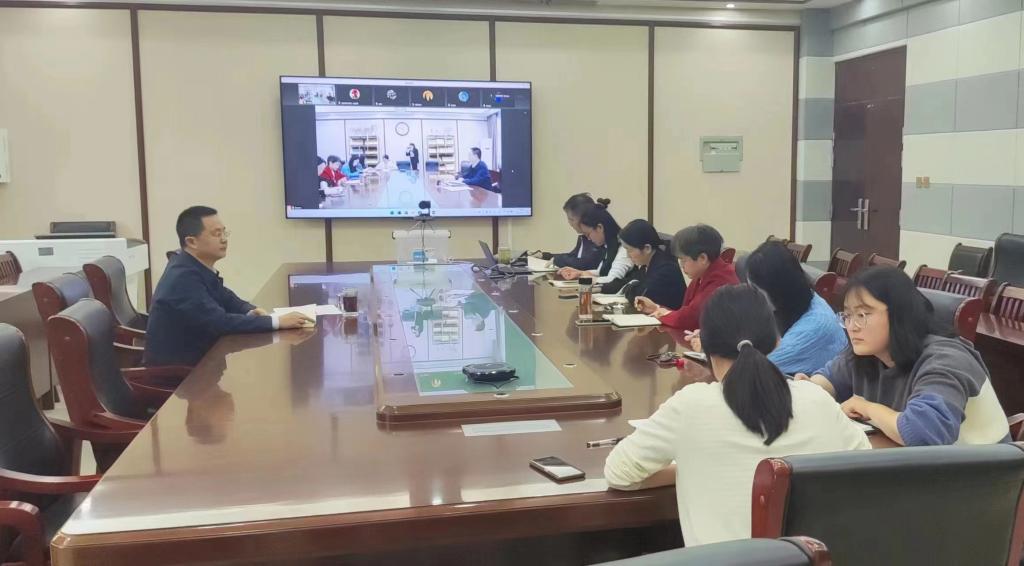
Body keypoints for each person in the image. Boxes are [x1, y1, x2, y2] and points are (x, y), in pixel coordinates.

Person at [604, 285, 871, 546]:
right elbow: (864, 462)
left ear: (704, 344)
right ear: (777, 340)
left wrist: (689, 465)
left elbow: (619, 473)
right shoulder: (816, 399)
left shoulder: (691, 405)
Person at [797, 266, 1009, 446]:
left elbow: (924, 434)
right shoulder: (868, 352)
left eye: (862, 314)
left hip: (983, 476)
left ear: (899, 314)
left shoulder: (946, 359)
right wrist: (808, 387)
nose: (852, 326)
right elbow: (828, 379)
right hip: (919, 468)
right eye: (847, 315)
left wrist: (867, 408)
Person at [144, 206, 313, 367]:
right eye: (216, 234)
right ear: (192, 242)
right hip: (180, 376)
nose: (224, 239)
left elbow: (225, 296)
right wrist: (276, 321)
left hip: (202, 363)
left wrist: (250, 310)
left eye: (224, 232)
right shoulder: (183, 278)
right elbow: (219, 323)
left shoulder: (191, 266)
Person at [742, 241, 849, 375]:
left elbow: (748, 372)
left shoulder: (812, 328)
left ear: (777, 290)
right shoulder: (800, 300)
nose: (752, 295)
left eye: (755, 289)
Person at [635, 224, 738, 331]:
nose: (681, 265)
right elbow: (686, 312)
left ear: (702, 258)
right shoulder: (702, 274)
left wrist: (659, 313)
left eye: (683, 260)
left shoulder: (721, 281)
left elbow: (690, 319)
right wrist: (656, 308)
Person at [602, 219, 685, 310]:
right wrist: (600, 288)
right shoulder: (647, 264)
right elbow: (626, 282)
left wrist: (629, 287)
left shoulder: (666, 269)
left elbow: (639, 297)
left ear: (647, 248)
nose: (628, 255)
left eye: (630, 250)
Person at [556, 200, 632, 284]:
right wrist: (579, 273)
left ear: (599, 227)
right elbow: (601, 272)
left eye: (588, 234)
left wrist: (583, 278)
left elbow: (612, 280)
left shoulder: (624, 248)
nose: (588, 238)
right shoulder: (609, 245)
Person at [538, 193, 604, 271]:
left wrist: (558, 260)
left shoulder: (598, 236)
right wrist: (545, 256)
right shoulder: (584, 237)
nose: (570, 223)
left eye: (571, 219)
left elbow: (588, 263)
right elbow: (573, 256)